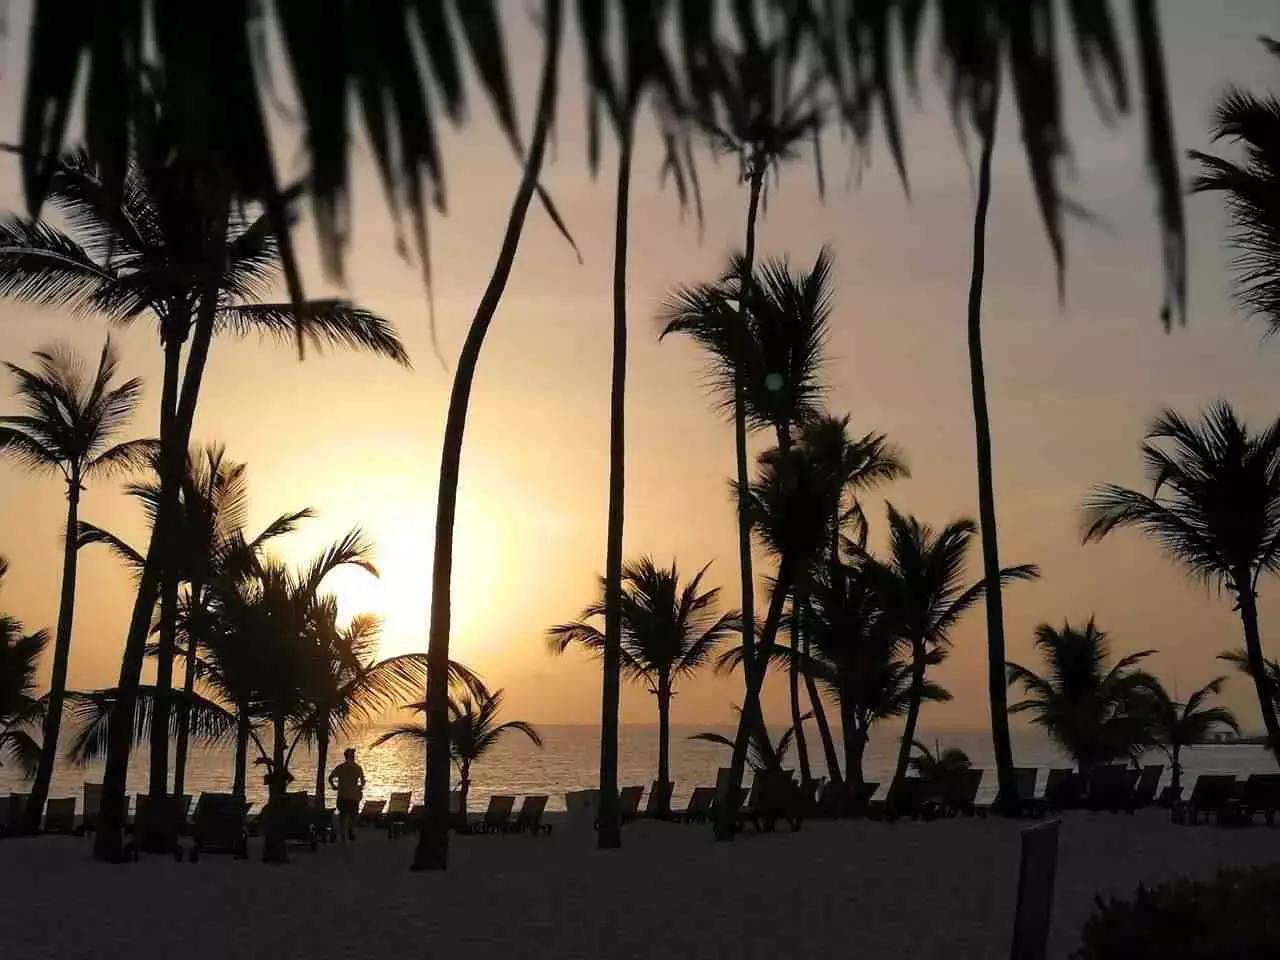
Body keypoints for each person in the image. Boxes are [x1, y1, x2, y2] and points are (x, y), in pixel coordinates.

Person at [329, 748, 366, 842]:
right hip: (353, 796)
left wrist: (334, 786)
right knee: (353, 815)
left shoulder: (340, 767)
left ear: (345, 757)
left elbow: (330, 777)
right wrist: (359, 787)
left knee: (342, 815)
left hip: (342, 795)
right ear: (352, 757)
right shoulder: (357, 768)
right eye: (353, 756)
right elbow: (363, 782)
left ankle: (343, 836)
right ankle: (350, 828)